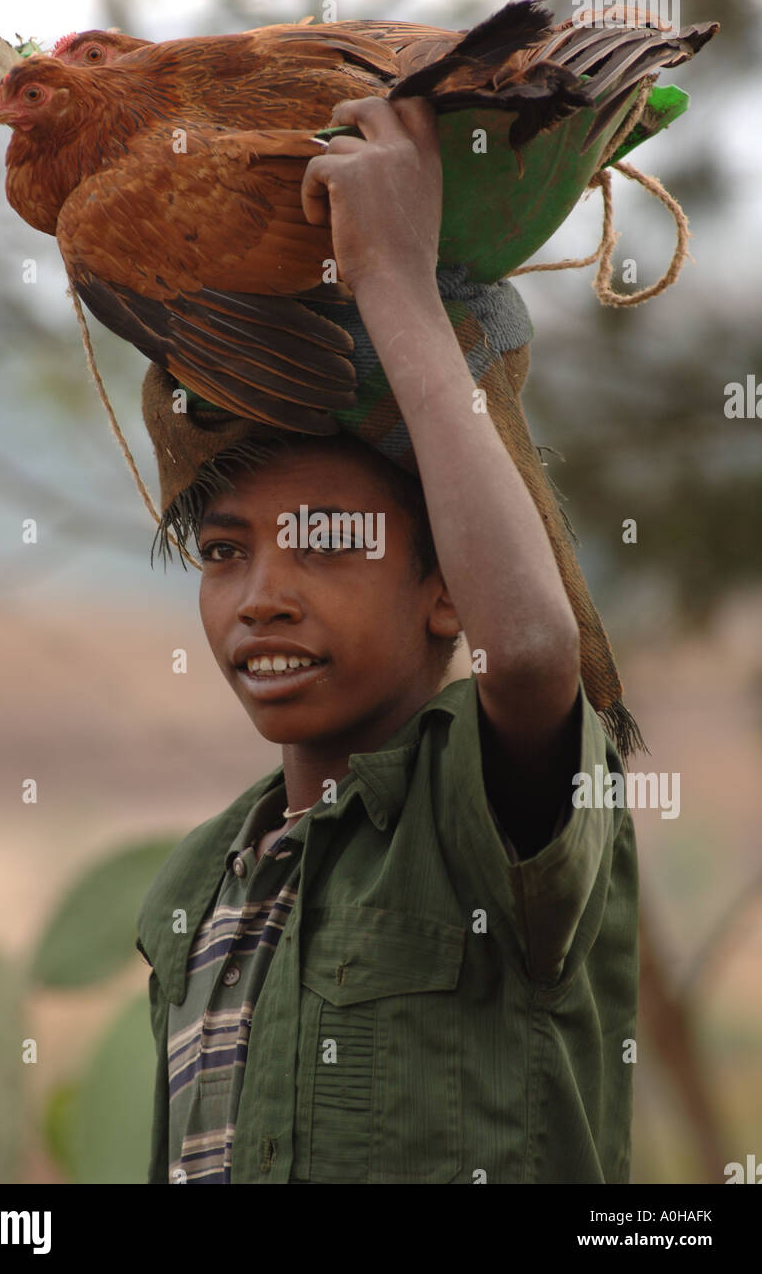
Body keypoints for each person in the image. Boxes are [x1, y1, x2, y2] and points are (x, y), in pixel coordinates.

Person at [135, 94, 639, 1184]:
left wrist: (395, 283)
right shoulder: (192, 885)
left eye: (323, 542)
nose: (260, 596)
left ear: (446, 587)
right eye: (225, 553)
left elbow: (537, 656)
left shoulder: (484, 806)